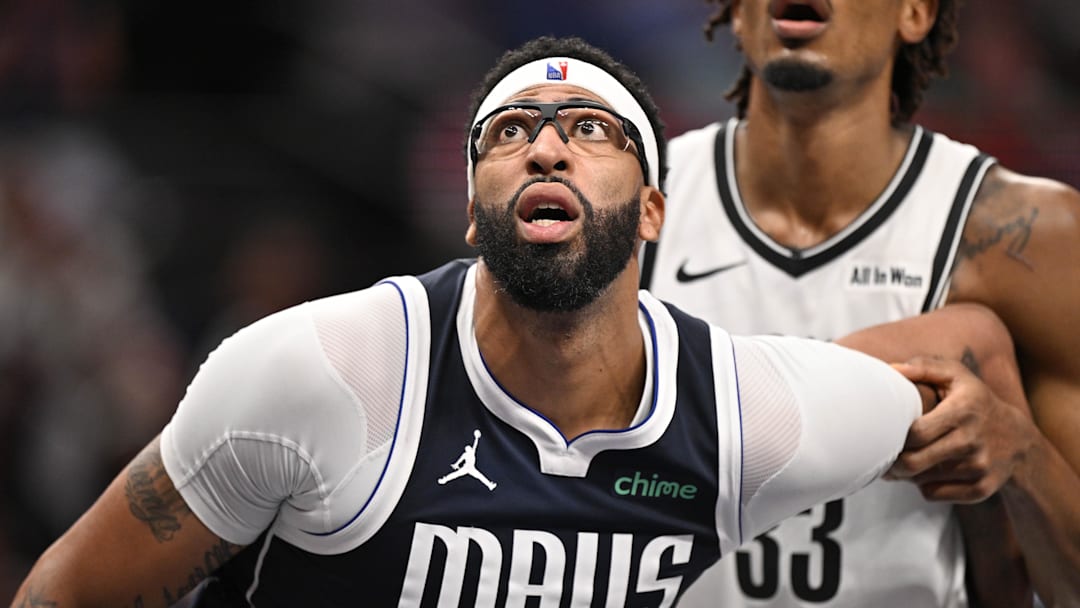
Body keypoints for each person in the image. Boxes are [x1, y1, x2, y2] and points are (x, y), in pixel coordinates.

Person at [12, 36, 1025, 607]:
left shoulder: (745, 409)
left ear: (655, 210)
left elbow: (964, 347)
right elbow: (69, 594)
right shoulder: (319, 370)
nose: (547, 150)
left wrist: (978, 416)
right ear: (471, 207)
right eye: (510, 135)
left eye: (590, 131)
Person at [640, 1, 1080, 606]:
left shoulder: (1031, 236)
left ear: (916, 14)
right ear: (737, 15)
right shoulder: (623, 209)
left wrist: (1022, 456)